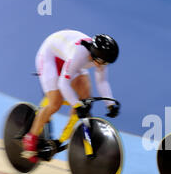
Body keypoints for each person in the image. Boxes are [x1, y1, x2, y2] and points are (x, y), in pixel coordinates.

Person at [22, 29, 120, 163]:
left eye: (107, 63)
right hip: (49, 56)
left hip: (67, 57)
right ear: (96, 56)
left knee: (85, 97)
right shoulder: (79, 54)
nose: (104, 65)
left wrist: (110, 105)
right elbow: (63, 84)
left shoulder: (100, 57)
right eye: (104, 62)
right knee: (55, 103)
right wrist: (76, 105)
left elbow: (102, 81)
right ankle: (30, 139)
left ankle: (61, 139)